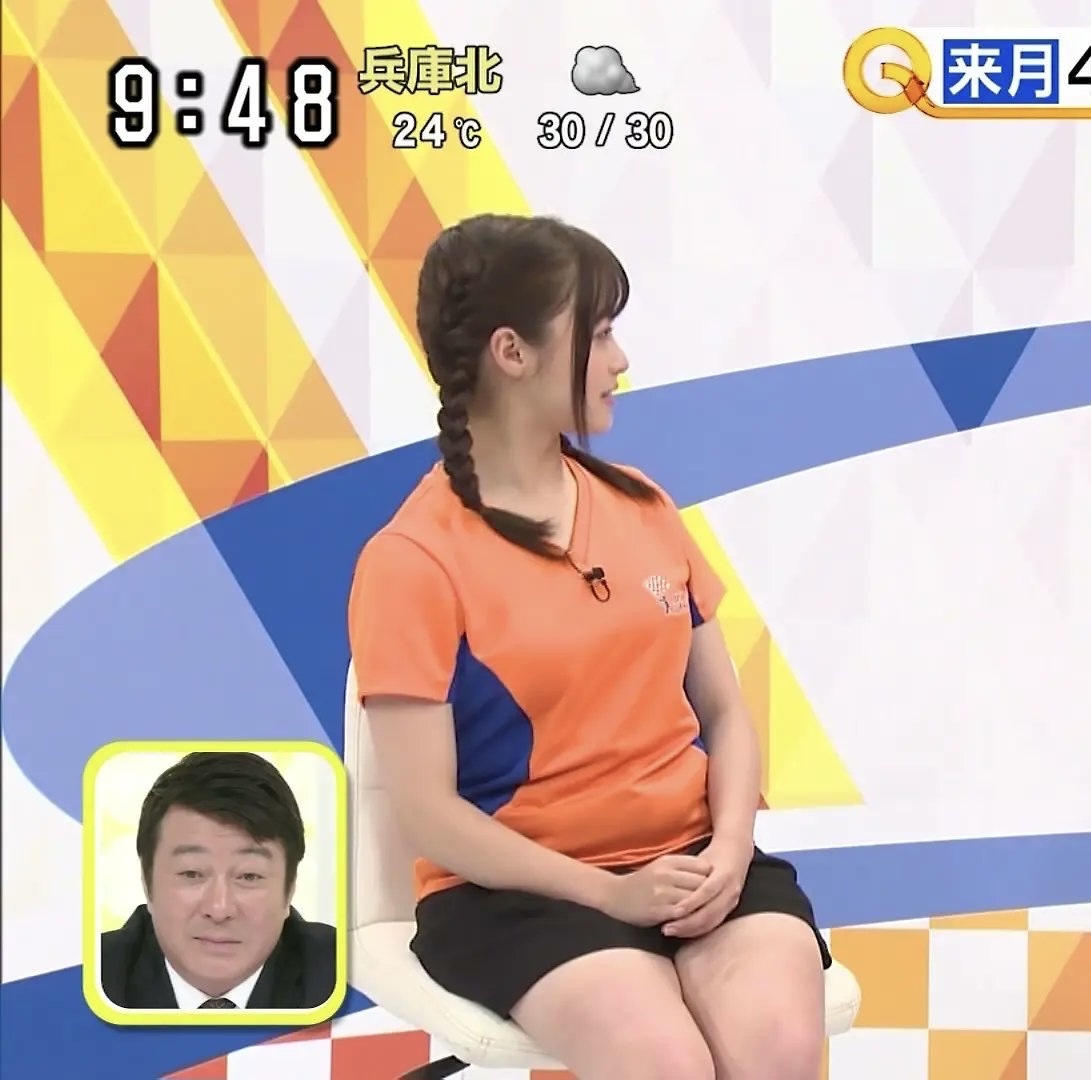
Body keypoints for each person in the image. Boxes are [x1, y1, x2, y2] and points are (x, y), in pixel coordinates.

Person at [348, 214, 832, 1079]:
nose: (620, 360)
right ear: (512, 352)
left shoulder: (641, 505)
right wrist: (608, 892)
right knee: (667, 1065)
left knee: (780, 1048)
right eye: (599, 333)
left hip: (693, 859)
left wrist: (727, 851)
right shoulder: (412, 559)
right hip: (518, 895)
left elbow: (724, 714)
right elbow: (428, 815)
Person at [99, 751, 337, 1012]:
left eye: (249, 876)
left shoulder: (351, 978)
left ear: (289, 889)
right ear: (147, 883)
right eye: (192, 873)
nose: (219, 909)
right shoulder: (88, 978)